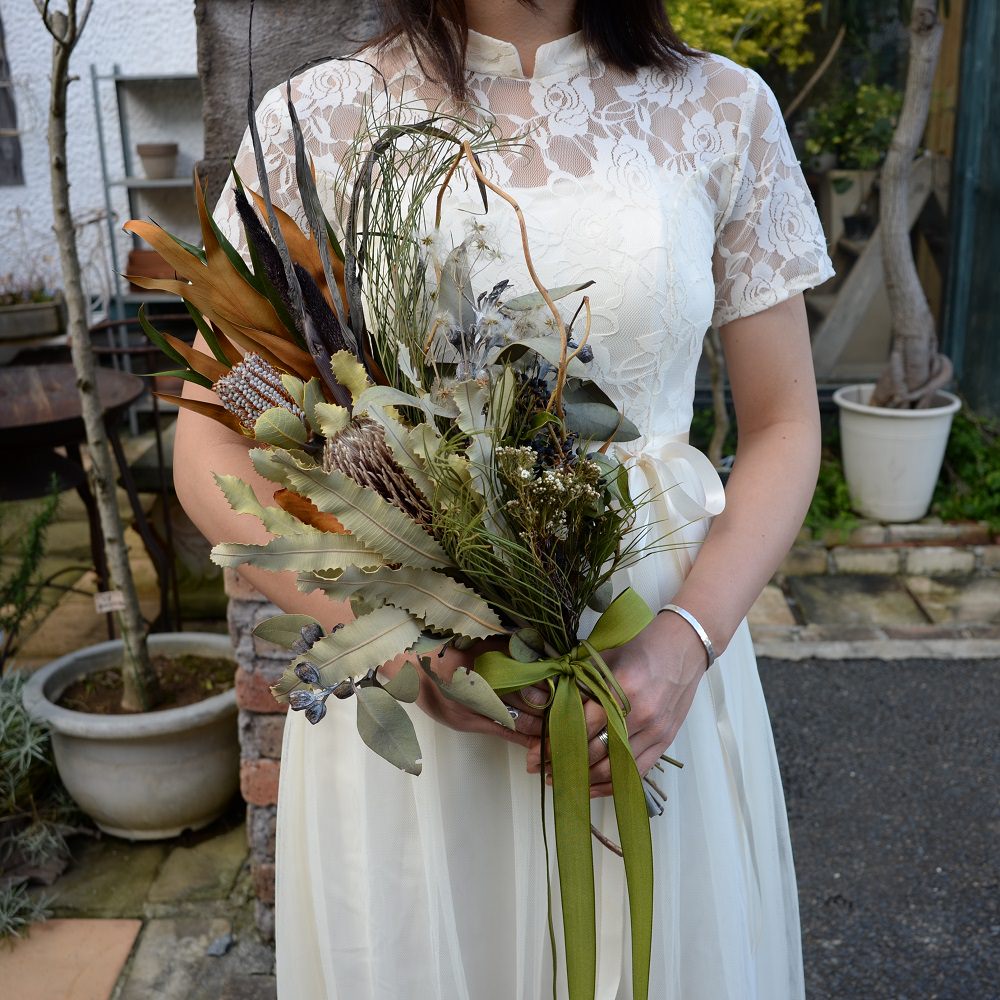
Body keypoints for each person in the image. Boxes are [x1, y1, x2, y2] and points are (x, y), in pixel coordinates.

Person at [175, 1, 835, 996]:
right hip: (421, 695)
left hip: (650, 677)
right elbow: (211, 437)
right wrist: (391, 640)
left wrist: (685, 643)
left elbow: (784, 423)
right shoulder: (319, 116)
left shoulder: (723, 108)